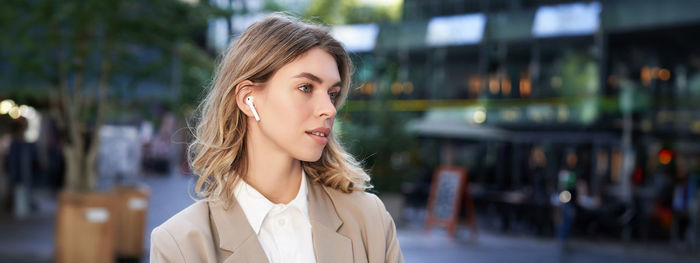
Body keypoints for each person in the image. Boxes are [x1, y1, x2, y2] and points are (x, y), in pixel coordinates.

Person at [150, 14, 404, 263]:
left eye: (332, 93)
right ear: (248, 99)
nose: (329, 108)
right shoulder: (181, 244)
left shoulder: (369, 220)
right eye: (306, 88)